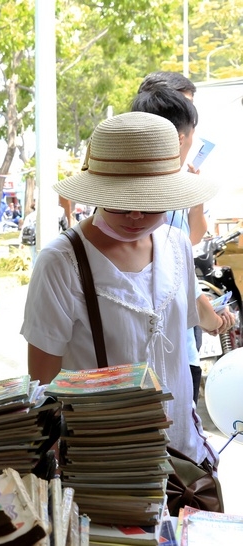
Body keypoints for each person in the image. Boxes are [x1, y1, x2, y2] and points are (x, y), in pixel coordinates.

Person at [21, 112, 234, 466]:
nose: (135, 214)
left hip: (182, 449)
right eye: (120, 200)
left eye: (151, 201)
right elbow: (43, 378)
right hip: (108, 459)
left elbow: (179, 334)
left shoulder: (176, 244)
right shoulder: (61, 261)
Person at [131, 83, 209, 404]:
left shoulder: (175, 241)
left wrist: (195, 198)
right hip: (151, 359)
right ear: (179, 139)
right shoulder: (64, 256)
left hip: (175, 348)